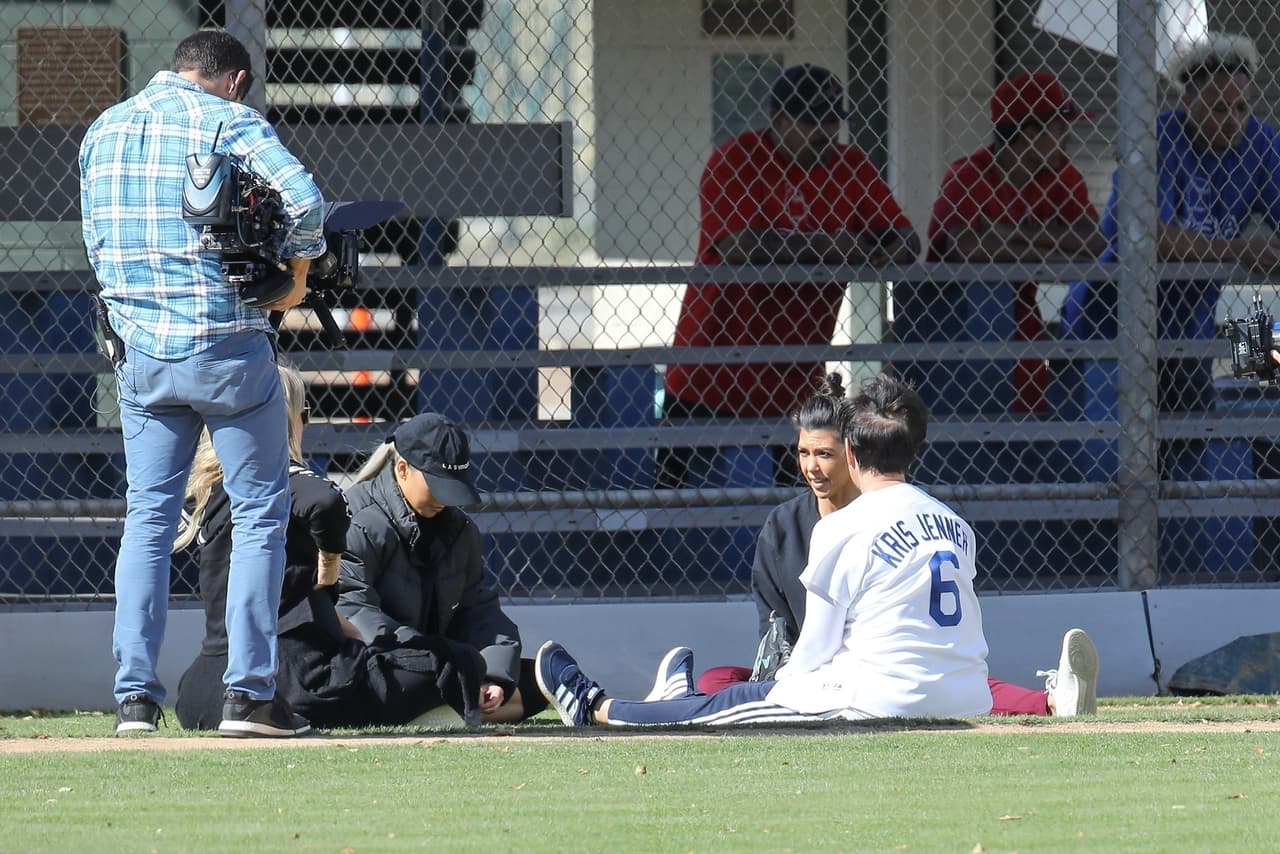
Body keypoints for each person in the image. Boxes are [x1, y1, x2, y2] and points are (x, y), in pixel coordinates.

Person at [80, 29, 325, 736]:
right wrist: (294, 280)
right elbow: (305, 204)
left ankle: (134, 700)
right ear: (235, 80)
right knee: (258, 517)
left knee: (148, 519)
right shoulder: (230, 120)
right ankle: (248, 698)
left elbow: (95, 241)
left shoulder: (105, 129)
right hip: (227, 349)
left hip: (141, 357)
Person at [536, 375, 995, 727]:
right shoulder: (953, 523)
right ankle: (677, 698)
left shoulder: (843, 525)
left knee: (725, 707)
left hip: (880, 700)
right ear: (912, 450)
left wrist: (775, 693)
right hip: (970, 697)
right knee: (731, 695)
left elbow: (816, 646)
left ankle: (596, 707)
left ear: (851, 455)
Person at [687, 373, 1100, 717]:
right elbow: (775, 629)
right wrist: (783, 672)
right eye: (803, 453)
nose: (812, 466)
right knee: (719, 678)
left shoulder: (871, 519)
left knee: (948, 678)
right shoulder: (785, 525)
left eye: (825, 454)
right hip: (824, 665)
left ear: (853, 453)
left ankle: (1049, 701)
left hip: (875, 669)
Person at [1058, 33, 1278, 574]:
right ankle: (1103, 572)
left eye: (1241, 106)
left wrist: (1249, 254)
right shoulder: (1158, 138)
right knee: (1112, 461)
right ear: (1189, 103)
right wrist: (1239, 252)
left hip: (1187, 322)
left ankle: (1171, 567)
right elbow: (1140, 233)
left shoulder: (1261, 143)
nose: (1233, 118)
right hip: (1111, 314)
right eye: (1219, 106)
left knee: (1184, 448)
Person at [174, 364, 491, 730]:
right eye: (303, 414)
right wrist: (330, 561)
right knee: (457, 662)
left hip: (202, 688)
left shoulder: (211, 491)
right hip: (295, 678)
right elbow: (326, 502)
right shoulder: (279, 477)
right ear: (282, 417)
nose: (305, 423)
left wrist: (333, 615)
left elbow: (286, 594)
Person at [657, 63, 920, 489]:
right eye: (811, 119)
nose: (825, 130)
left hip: (793, 381)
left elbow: (906, 242)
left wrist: (851, 252)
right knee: (680, 502)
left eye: (832, 120)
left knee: (797, 507)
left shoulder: (849, 165)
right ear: (779, 120)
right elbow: (739, 247)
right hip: (711, 371)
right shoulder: (738, 158)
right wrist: (837, 248)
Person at [895, 70, 1103, 419]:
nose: (1066, 138)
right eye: (1059, 128)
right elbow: (966, 247)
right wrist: (1052, 242)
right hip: (951, 322)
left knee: (1027, 425)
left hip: (1020, 318)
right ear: (1030, 134)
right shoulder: (969, 173)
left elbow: (1093, 241)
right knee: (961, 433)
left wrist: (1010, 234)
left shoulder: (1059, 174)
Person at [337, 413, 547, 722]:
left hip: (438, 666)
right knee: (420, 683)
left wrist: (494, 675)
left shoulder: (460, 530)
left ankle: (451, 708)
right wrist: (445, 663)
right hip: (377, 667)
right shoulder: (357, 520)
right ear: (402, 469)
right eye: (436, 484)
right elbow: (355, 614)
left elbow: (479, 611)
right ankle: (452, 707)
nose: (444, 499)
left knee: (536, 681)